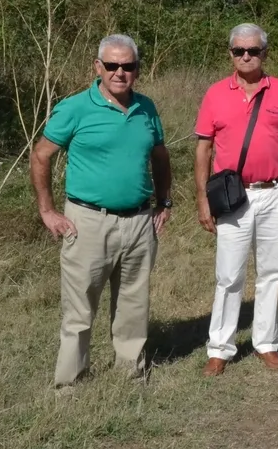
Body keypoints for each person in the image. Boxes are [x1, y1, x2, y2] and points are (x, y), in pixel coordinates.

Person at [30, 34, 172, 390]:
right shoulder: (75, 108)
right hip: (88, 220)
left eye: (128, 66)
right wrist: (47, 211)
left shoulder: (146, 108)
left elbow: (160, 156)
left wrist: (164, 202)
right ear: (98, 67)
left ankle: (130, 372)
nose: (119, 72)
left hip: (139, 222)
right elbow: (41, 154)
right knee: (80, 309)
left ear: (137, 69)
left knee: (133, 304)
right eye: (111, 65)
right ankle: (70, 383)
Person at [194, 23, 278, 377]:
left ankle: (266, 343)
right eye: (239, 51)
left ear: (265, 53)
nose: (246, 56)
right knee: (229, 275)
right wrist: (202, 199)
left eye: (253, 51)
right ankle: (220, 348)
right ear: (230, 54)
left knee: (271, 272)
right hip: (233, 196)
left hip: (276, 191)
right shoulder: (215, 94)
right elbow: (203, 149)